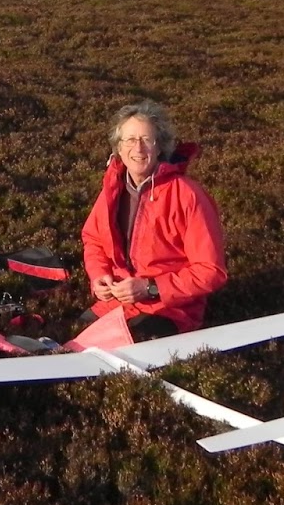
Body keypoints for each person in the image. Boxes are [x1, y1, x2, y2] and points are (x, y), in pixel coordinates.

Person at [80, 100, 227, 339]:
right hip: (117, 303)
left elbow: (211, 271)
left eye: (146, 140)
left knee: (121, 349)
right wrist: (99, 276)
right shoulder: (112, 188)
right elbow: (93, 239)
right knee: (76, 338)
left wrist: (150, 287)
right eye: (129, 140)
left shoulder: (188, 195)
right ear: (118, 147)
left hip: (171, 309)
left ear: (160, 147)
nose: (138, 149)